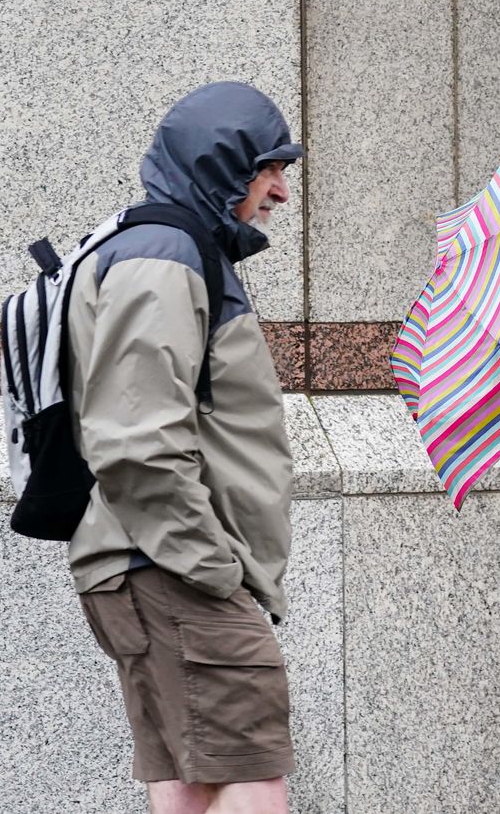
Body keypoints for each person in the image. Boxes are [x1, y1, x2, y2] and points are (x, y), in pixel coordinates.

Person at [66, 82, 302, 814]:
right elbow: (138, 443)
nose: (282, 192)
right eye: (271, 168)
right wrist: (215, 568)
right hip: (172, 568)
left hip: (150, 564)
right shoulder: (166, 254)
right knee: (254, 779)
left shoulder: (164, 248)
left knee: (193, 786)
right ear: (225, 163)